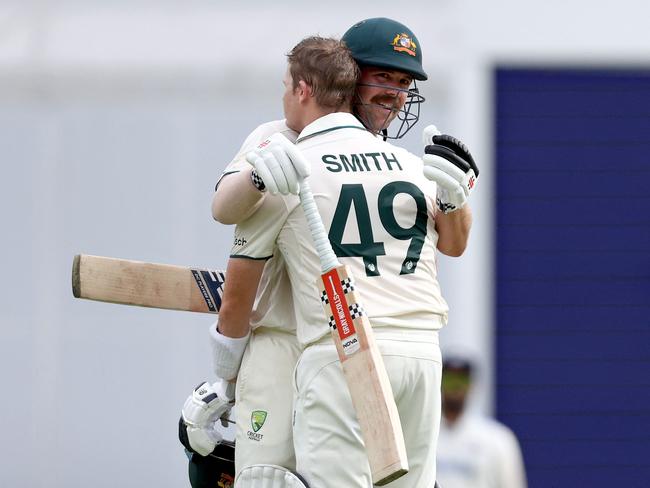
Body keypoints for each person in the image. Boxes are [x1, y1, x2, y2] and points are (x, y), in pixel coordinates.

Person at [229, 30, 478, 487]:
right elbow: (230, 215)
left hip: (346, 344)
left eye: (405, 84)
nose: (397, 96)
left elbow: (453, 245)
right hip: (314, 347)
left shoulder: (398, 159)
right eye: (384, 76)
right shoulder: (281, 138)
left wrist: (455, 198)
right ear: (346, 76)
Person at [436, 355, 528, 488]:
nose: (455, 387)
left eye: (462, 380)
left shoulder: (499, 439)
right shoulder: (421, 436)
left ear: (471, 385)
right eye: (449, 380)